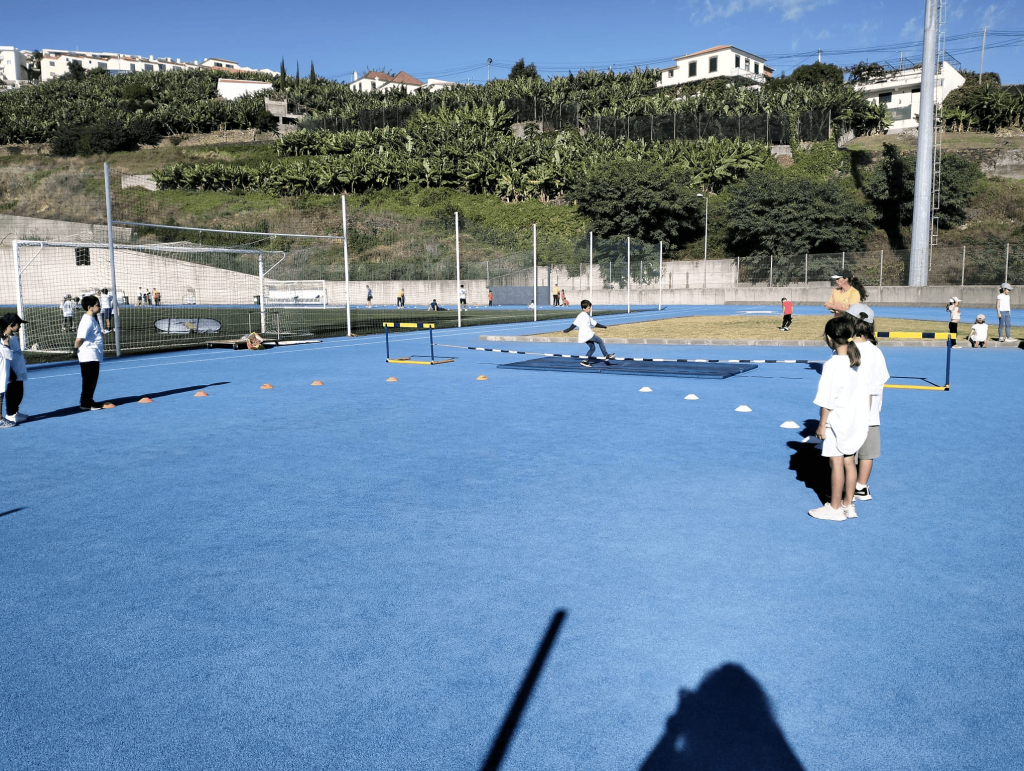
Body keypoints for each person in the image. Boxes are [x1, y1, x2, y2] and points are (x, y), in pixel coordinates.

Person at [809, 315, 869, 521]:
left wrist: (822, 424)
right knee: (850, 462)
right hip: (853, 420)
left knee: (836, 463)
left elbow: (827, 399)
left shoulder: (832, 365)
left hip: (837, 421)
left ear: (829, 338)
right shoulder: (856, 362)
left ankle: (834, 508)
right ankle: (848, 505)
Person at [847, 304, 889, 504]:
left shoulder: (845, 350)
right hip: (871, 413)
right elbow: (882, 379)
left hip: (849, 412)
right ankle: (861, 487)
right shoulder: (876, 351)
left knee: (847, 452)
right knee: (867, 454)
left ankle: (845, 489)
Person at [74, 295, 105, 411]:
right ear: (90, 307)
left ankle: (88, 400)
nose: (99, 306)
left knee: (92, 380)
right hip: (88, 355)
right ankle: (86, 403)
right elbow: (79, 339)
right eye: (97, 305)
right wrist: (75, 350)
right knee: (89, 380)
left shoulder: (92, 318)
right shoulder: (87, 320)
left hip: (93, 355)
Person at [563, 300, 615, 368]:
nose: (590, 309)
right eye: (588, 308)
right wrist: (568, 330)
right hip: (587, 334)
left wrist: (603, 326)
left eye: (590, 307)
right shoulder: (581, 315)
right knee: (600, 341)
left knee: (592, 348)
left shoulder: (587, 316)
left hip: (585, 335)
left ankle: (585, 361)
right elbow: (574, 324)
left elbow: (595, 324)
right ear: (584, 308)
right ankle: (606, 355)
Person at [0, 313, 29, 427]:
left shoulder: (13, 336)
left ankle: (15, 412)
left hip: (19, 371)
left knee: (19, 393)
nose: (20, 326)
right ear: (11, 325)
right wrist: (12, 373)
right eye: (18, 324)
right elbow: (8, 357)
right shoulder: (4, 339)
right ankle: (10, 414)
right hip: (12, 372)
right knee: (12, 393)